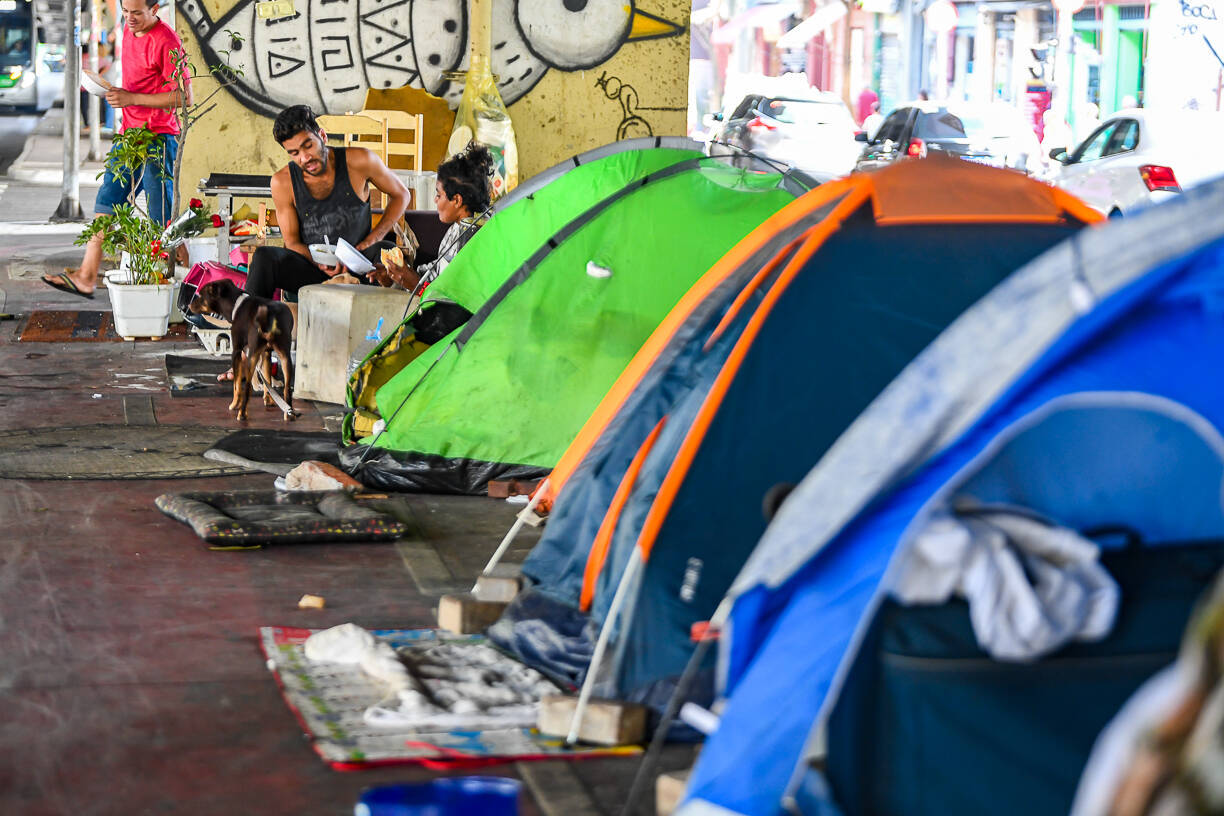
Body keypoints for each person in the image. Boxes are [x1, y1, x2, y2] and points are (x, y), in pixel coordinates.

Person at [43, 0, 189, 299]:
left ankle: (192, 286)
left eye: (136, 13)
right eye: (125, 12)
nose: (129, 19)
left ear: (155, 9)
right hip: (129, 135)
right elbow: (138, 84)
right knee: (106, 202)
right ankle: (86, 275)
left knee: (163, 221)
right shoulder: (127, 28)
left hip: (159, 138)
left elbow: (184, 96)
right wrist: (112, 90)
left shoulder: (166, 41)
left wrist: (131, 98)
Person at [241, 104, 410, 301]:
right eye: (294, 153)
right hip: (313, 269)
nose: (304, 158)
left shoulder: (360, 160)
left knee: (388, 249)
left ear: (322, 136)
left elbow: (401, 195)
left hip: (358, 265)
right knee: (263, 258)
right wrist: (319, 262)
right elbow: (292, 242)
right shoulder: (282, 182)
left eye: (308, 145)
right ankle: (249, 326)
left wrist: (372, 239)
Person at [373, 144, 493, 294]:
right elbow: (436, 272)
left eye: (438, 195)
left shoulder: (472, 241)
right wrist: (396, 278)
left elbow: (452, 303)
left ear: (456, 200)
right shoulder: (463, 225)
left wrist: (413, 284)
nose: (435, 201)